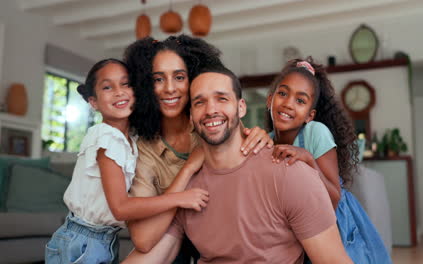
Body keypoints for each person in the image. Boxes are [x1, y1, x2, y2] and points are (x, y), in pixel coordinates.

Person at [122, 66, 353, 264]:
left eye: (222, 99)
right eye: (200, 102)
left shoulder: (291, 174)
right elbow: (150, 253)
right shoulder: (188, 191)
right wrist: (188, 169)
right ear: (191, 117)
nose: (211, 109)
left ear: (241, 107)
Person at [123, 35, 273, 261]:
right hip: (176, 236)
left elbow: (252, 155)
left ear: (193, 79)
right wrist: (188, 169)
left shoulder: (213, 124)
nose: (170, 89)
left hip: (227, 227)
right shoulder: (144, 149)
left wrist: (265, 137)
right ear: (145, 85)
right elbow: (143, 240)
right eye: (158, 79)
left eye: (180, 77)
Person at [45, 59, 209, 264]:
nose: (119, 92)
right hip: (82, 242)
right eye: (107, 87)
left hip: (102, 238)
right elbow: (120, 207)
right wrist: (180, 198)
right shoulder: (107, 138)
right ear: (93, 102)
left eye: (126, 84)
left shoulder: (130, 138)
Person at [267, 57, 392, 263]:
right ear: (269, 100)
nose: (288, 103)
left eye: (300, 100)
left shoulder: (316, 133)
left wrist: (308, 159)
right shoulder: (267, 142)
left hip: (334, 224)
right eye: (282, 93)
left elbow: (333, 197)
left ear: (310, 115)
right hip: (296, 226)